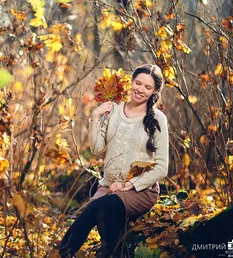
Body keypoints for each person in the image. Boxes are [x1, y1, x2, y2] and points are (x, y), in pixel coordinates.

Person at [58, 64, 169, 258]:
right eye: (138, 83)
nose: (140, 90)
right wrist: (96, 116)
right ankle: (61, 254)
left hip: (140, 190)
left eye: (147, 87)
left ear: (154, 92)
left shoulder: (158, 119)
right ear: (131, 82)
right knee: (90, 212)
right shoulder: (115, 110)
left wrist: (129, 185)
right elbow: (96, 149)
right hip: (108, 185)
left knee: (105, 206)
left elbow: (162, 168)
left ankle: (110, 253)